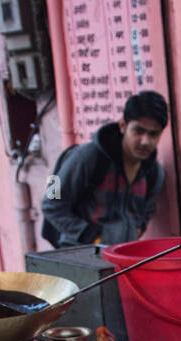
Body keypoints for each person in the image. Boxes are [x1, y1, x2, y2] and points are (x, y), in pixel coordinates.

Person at [40, 90, 168, 247]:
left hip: (121, 260)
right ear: (123, 126)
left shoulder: (155, 174)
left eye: (153, 134)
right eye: (138, 131)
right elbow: (50, 203)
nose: (145, 141)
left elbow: (147, 210)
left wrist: (138, 229)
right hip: (79, 258)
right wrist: (89, 234)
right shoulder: (84, 157)